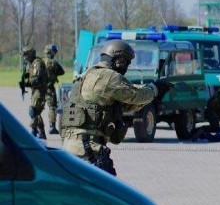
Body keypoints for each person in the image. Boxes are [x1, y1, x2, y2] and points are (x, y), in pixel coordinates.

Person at [61, 39, 170, 175]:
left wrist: (151, 95)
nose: (127, 67)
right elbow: (134, 95)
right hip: (88, 148)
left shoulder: (87, 75)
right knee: (108, 193)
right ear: (120, 61)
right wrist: (154, 89)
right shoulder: (109, 76)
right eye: (127, 63)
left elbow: (123, 106)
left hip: (71, 146)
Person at [20, 46, 49, 139]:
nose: (25, 57)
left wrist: (26, 83)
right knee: (36, 112)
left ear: (31, 54)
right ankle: (41, 133)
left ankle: (33, 131)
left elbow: (36, 79)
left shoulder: (37, 63)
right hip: (35, 90)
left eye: (26, 54)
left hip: (40, 90)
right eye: (24, 55)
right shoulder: (31, 63)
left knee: (33, 110)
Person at [43, 44, 65, 134]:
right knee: (52, 107)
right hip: (49, 88)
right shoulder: (53, 63)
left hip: (39, 88)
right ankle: (52, 127)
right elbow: (62, 71)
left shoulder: (40, 61)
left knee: (37, 107)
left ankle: (36, 128)